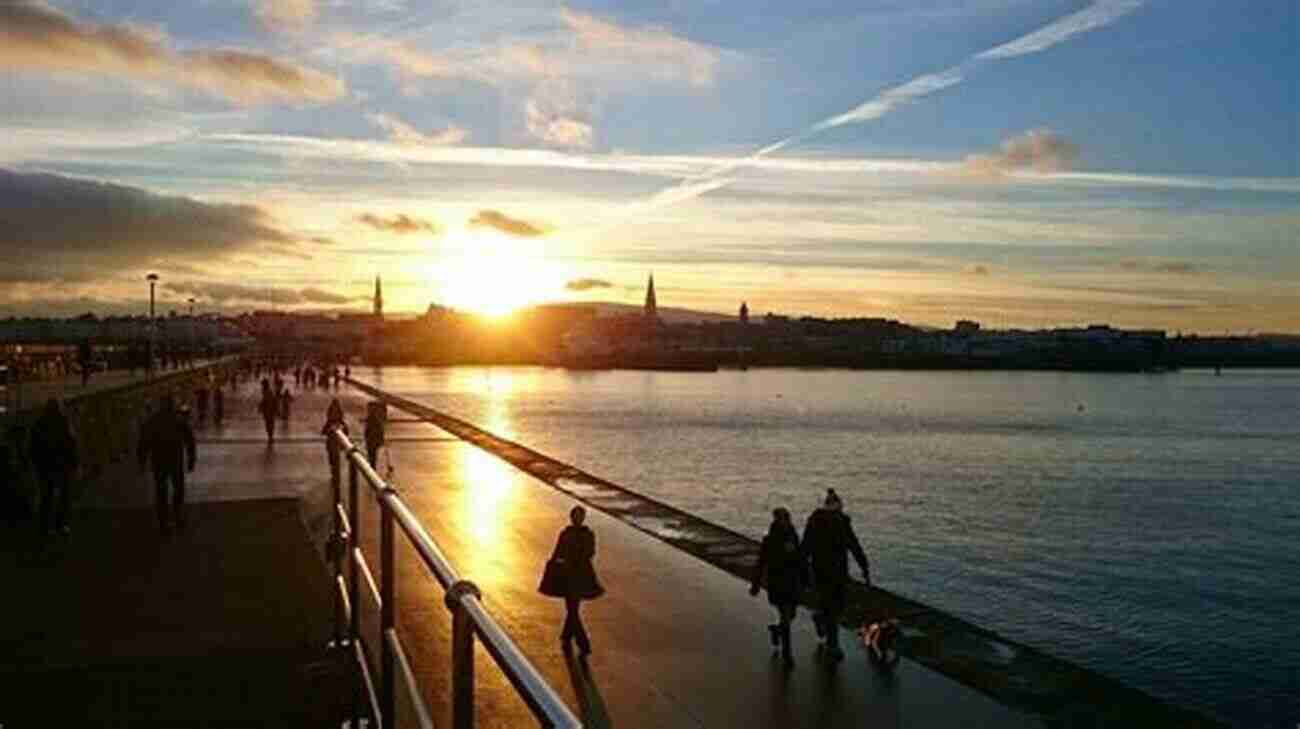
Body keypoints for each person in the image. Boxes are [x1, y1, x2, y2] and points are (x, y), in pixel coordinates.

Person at [802, 488, 871, 662]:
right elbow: (853, 545)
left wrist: (863, 565)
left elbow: (853, 545)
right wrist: (864, 566)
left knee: (834, 606)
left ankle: (820, 619)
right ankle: (833, 645)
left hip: (831, 571)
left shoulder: (837, 522)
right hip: (827, 571)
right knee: (833, 607)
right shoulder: (824, 522)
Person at [750, 507, 808, 667]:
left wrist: (806, 578)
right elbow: (761, 563)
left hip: (792, 582)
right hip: (778, 583)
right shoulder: (769, 540)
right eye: (782, 518)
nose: (784, 521)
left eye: (786, 518)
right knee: (786, 615)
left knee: (790, 615)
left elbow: (800, 559)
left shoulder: (793, 537)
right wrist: (756, 584)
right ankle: (787, 654)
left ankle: (777, 631)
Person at [137, 394, 197, 534]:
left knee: (161, 492)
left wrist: (142, 461)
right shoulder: (178, 420)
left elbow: (143, 442)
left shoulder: (152, 421)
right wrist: (191, 459)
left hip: (159, 462)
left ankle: (163, 521)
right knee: (178, 488)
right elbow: (189, 441)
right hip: (175, 460)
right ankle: (178, 514)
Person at [548, 506, 603, 656]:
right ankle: (574, 638)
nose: (577, 519)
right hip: (569, 575)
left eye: (580, 516)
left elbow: (590, 552)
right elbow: (557, 551)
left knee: (572, 609)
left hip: (580, 576)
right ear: (572, 517)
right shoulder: (566, 534)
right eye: (575, 516)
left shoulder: (587, 534)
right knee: (572, 608)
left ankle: (577, 640)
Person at [29, 398, 77, 538]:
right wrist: (73, 462)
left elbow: (33, 447)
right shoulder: (64, 422)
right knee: (63, 496)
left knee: (46, 497)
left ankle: (45, 526)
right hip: (61, 465)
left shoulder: (39, 424)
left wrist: (36, 463)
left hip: (45, 466)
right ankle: (61, 525)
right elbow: (71, 443)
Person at [321, 399, 349, 485]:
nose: (334, 414)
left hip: (336, 446)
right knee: (332, 460)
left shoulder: (342, 424)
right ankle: (334, 474)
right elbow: (323, 432)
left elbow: (346, 434)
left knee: (335, 461)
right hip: (331, 445)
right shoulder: (329, 424)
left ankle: (336, 476)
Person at [363, 401, 386, 467]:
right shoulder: (373, 418)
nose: (367, 410)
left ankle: (372, 468)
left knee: (372, 456)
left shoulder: (372, 419)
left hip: (372, 441)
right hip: (372, 441)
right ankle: (372, 467)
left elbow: (370, 431)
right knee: (372, 456)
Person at [258, 379, 277, 444]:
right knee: (269, 425)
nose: (262, 386)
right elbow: (264, 401)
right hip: (268, 412)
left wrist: (261, 406)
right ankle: (270, 437)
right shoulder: (266, 391)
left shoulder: (268, 392)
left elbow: (269, 401)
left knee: (269, 425)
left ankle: (270, 437)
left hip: (269, 412)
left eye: (262, 385)